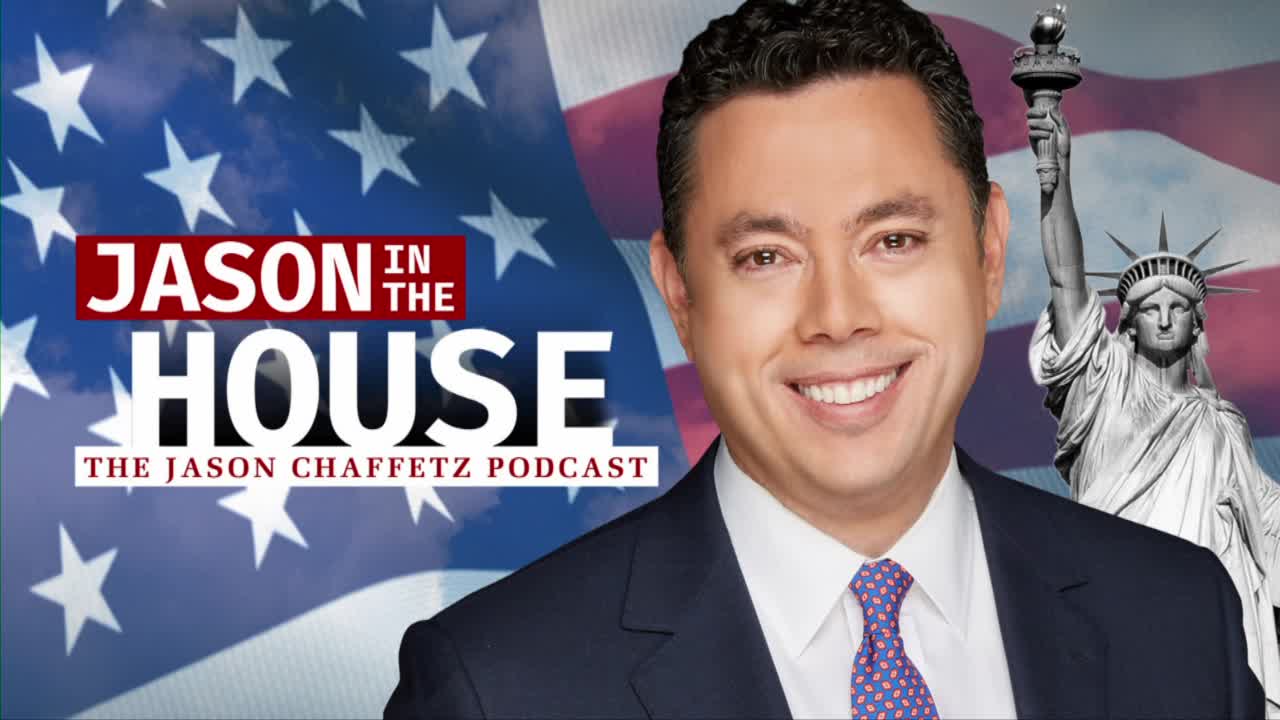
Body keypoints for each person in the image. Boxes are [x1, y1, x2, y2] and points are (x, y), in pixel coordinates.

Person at [385, 1, 1262, 717]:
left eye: (894, 239)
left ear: (990, 252)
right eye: (766, 256)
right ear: (680, 293)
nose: (837, 318)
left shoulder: (1183, 620)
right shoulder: (492, 688)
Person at [1027, 99, 1280, 713]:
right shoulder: (1105, 384)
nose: (1164, 318)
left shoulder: (1222, 423)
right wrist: (1057, 179)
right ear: (1129, 323)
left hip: (1205, 629)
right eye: (1149, 309)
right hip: (1114, 606)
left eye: (1178, 309)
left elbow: (1266, 517)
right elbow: (1066, 280)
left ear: (1198, 324)